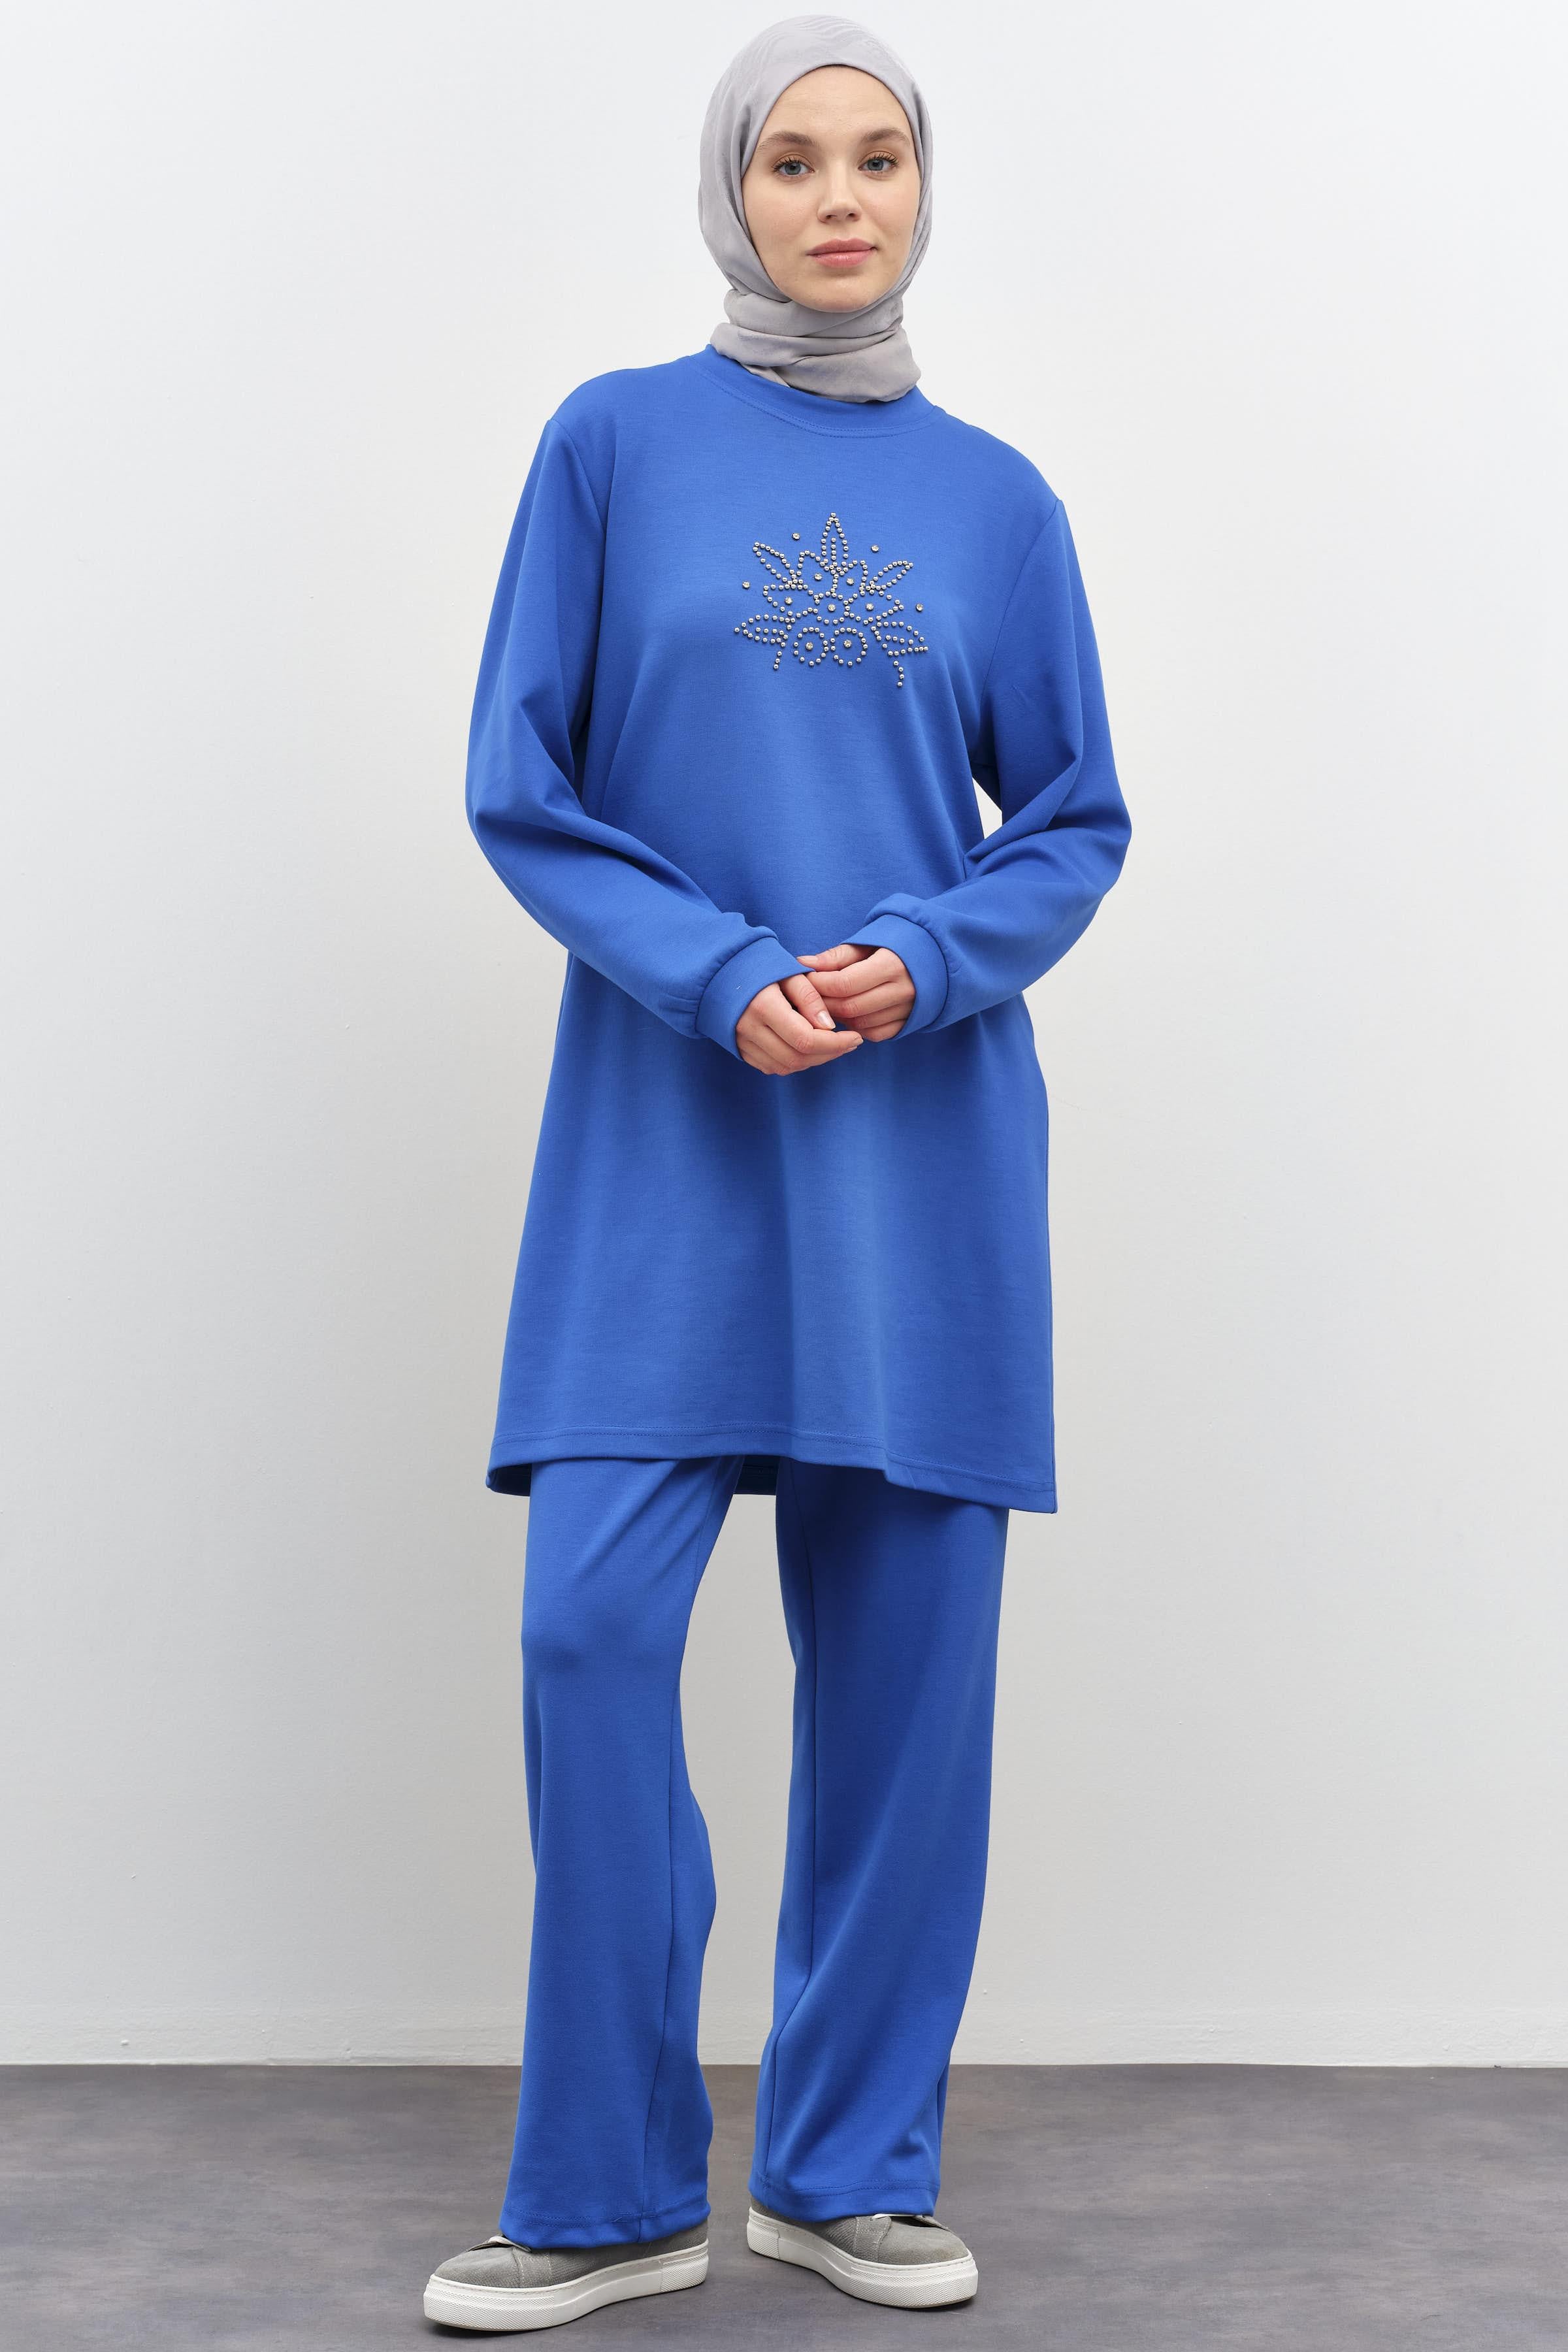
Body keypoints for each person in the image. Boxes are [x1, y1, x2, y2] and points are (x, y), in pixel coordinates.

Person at [423, 12, 1132, 2332]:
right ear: (729, 190)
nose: (841, 199)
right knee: (589, 1631)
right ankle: (609, 2186)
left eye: (880, 159)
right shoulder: (612, 446)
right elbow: (524, 783)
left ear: (926, 191)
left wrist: (925, 957)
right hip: (668, 1128)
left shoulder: (1002, 503)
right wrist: (717, 969)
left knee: (908, 1687)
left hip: (917, 1151)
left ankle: (847, 2168)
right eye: (795, 160)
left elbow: (1077, 820)